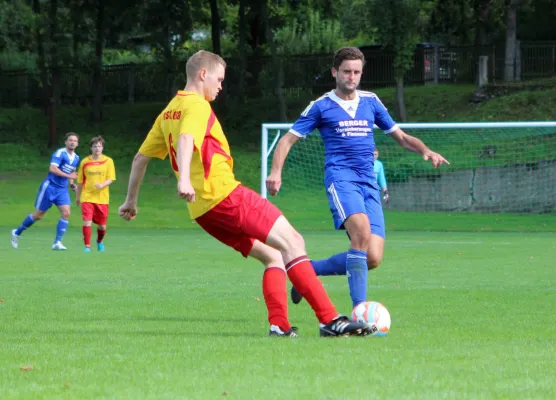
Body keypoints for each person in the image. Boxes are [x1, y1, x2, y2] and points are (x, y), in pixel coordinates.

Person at [117, 50, 374, 338]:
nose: (221, 86)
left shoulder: (169, 111)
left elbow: (140, 158)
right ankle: (330, 320)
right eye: (219, 79)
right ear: (203, 75)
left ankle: (280, 325)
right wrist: (184, 180)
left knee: (273, 256)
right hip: (225, 197)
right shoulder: (197, 106)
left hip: (203, 212)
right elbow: (187, 138)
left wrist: (130, 200)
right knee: (293, 241)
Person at [266, 46, 449, 309]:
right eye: (346, 71)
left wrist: (426, 150)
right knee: (360, 232)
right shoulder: (321, 106)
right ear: (334, 72)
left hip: (368, 183)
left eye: (356, 72)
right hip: (341, 179)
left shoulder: (371, 102)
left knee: (372, 257)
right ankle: (359, 312)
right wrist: (275, 172)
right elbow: (286, 141)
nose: (351, 77)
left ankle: (307, 271)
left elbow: (401, 137)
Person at [11, 132, 80, 250]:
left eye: (74, 141)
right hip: (50, 187)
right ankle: (17, 233)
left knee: (66, 213)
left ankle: (57, 243)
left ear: (77, 144)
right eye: (70, 140)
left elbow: (71, 173)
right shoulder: (60, 153)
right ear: (66, 142)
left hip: (62, 190)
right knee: (38, 216)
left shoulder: (77, 158)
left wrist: (72, 184)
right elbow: (52, 169)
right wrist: (68, 176)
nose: (72, 142)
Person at [76, 135, 116, 252]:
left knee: (102, 225)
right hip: (87, 196)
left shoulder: (108, 161)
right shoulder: (85, 162)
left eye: (99, 146)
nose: (97, 148)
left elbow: (111, 178)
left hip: (102, 198)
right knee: (87, 221)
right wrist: (78, 197)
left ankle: (100, 241)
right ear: (91, 148)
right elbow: (80, 181)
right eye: (95, 146)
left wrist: (102, 185)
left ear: (102, 148)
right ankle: (87, 246)